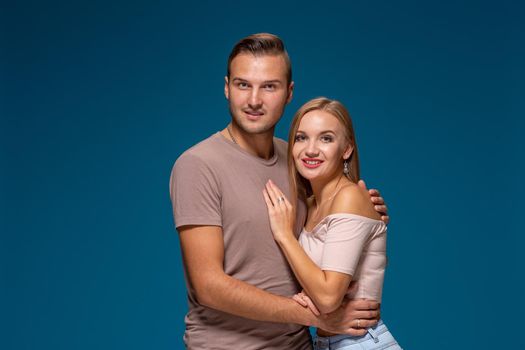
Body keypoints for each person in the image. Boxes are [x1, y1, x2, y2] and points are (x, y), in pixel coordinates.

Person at [170, 33, 389, 349]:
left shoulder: (300, 160)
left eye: (268, 86)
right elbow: (208, 286)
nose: (254, 100)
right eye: (243, 84)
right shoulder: (198, 165)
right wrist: (315, 317)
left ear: (288, 93)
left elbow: (326, 225)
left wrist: (365, 213)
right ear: (226, 88)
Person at [263, 97, 401, 349]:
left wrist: (284, 236)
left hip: (360, 343)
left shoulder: (349, 197)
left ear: (346, 149)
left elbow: (327, 298)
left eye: (326, 138)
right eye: (301, 137)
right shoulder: (310, 204)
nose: (311, 149)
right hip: (328, 343)